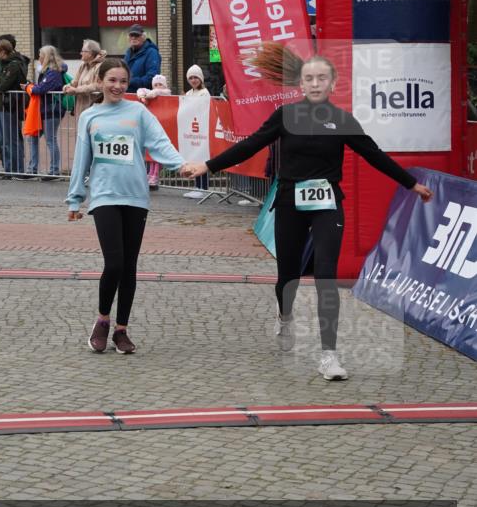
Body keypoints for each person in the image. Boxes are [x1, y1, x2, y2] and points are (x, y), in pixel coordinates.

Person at [182, 45, 433, 381]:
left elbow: (374, 154)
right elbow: (250, 145)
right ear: (301, 84)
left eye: (322, 78)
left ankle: (329, 355)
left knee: (325, 275)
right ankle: (284, 314)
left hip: (327, 203)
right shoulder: (286, 116)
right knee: (288, 275)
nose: (315, 84)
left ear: (332, 83)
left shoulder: (342, 120)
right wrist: (207, 165)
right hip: (290, 202)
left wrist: (410, 183)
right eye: (309, 78)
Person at [67, 57, 187, 355]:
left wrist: (182, 165)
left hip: (135, 196)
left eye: (123, 81)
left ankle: (122, 329)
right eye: (112, 80)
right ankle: (103, 320)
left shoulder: (138, 112)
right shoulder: (90, 116)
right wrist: (75, 197)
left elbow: (159, 143)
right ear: (102, 81)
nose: (118, 86)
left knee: (130, 266)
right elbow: (82, 159)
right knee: (115, 263)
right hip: (105, 196)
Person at [0, 38, 27, 178]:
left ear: (3, 51)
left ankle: (17, 170)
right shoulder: (2, 63)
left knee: (11, 139)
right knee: (2, 139)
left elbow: (3, 86)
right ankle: (8, 168)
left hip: (9, 105)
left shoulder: (14, 64)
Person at [24, 45, 65, 179]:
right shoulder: (47, 71)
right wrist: (32, 86)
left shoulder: (53, 72)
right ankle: (32, 169)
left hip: (51, 110)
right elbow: (41, 87)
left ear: (46, 56)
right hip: (43, 110)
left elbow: (40, 89)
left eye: (40, 55)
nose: (39, 58)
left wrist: (28, 87)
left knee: (50, 140)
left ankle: (54, 170)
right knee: (32, 137)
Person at [137, 73, 172, 190]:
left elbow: (158, 92)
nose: (157, 87)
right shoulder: (151, 93)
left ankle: (155, 175)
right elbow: (140, 90)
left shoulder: (166, 93)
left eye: (160, 84)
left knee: (158, 152)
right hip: (152, 126)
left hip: (163, 126)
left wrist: (148, 95)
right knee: (150, 151)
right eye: (155, 84)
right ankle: (150, 174)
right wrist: (142, 96)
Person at [182, 64, 211, 199]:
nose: (193, 80)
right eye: (191, 78)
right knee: (194, 158)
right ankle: (197, 186)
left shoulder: (205, 93)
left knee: (202, 159)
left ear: (201, 78)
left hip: (202, 130)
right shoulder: (188, 94)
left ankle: (203, 188)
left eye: (196, 77)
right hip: (192, 129)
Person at [62, 38, 105, 117]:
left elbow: (97, 85)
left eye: (83, 51)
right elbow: (75, 81)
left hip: (93, 107)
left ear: (90, 53)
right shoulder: (83, 65)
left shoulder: (101, 66)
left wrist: (76, 90)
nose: (80, 53)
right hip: (80, 107)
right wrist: (68, 86)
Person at [123, 25, 161, 93]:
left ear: (143, 37)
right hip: (127, 94)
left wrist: (129, 81)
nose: (133, 38)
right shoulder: (128, 52)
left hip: (144, 96)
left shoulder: (152, 52)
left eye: (137, 35)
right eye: (131, 35)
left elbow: (152, 77)